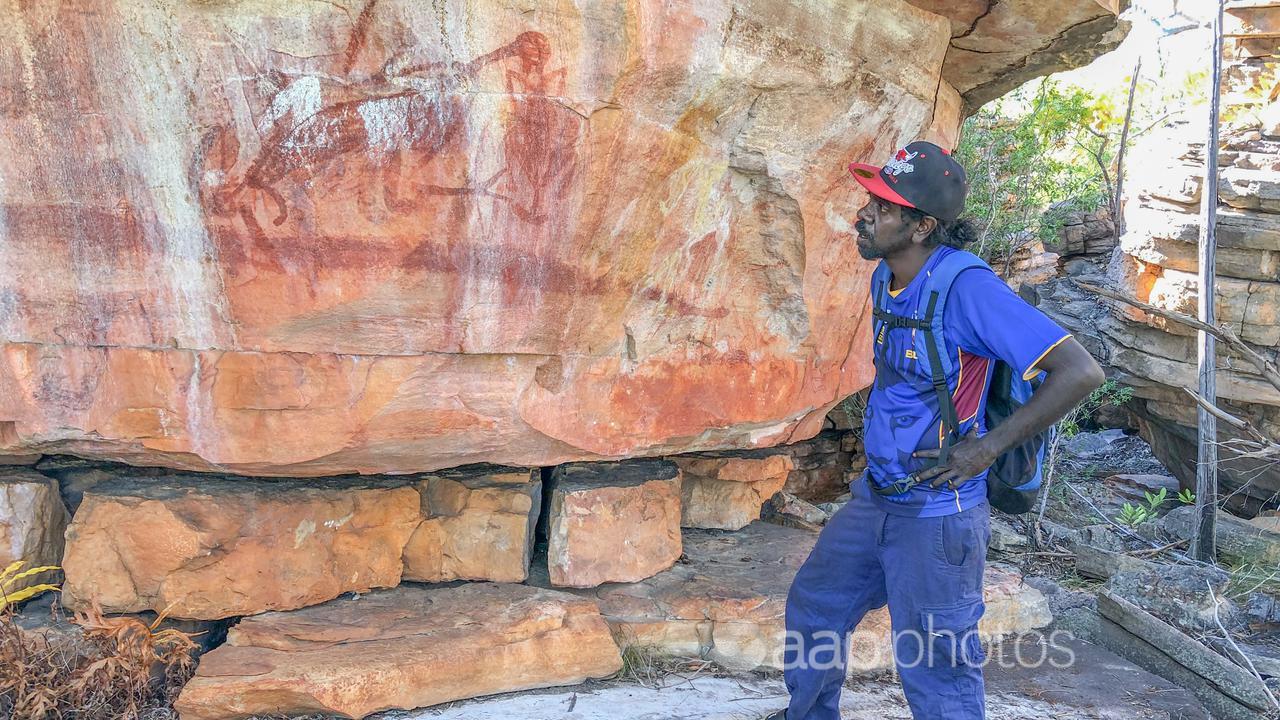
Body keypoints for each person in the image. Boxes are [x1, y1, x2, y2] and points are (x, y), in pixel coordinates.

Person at [764, 140, 1104, 720]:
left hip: (940, 514)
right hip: (880, 497)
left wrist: (986, 449)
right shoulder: (886, 280)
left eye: (884, 207)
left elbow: (1081, 371)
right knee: (817, 604)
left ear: (922, 226)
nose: (865, 214)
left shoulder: (968, 289)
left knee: (935, 662)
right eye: (871, 199)